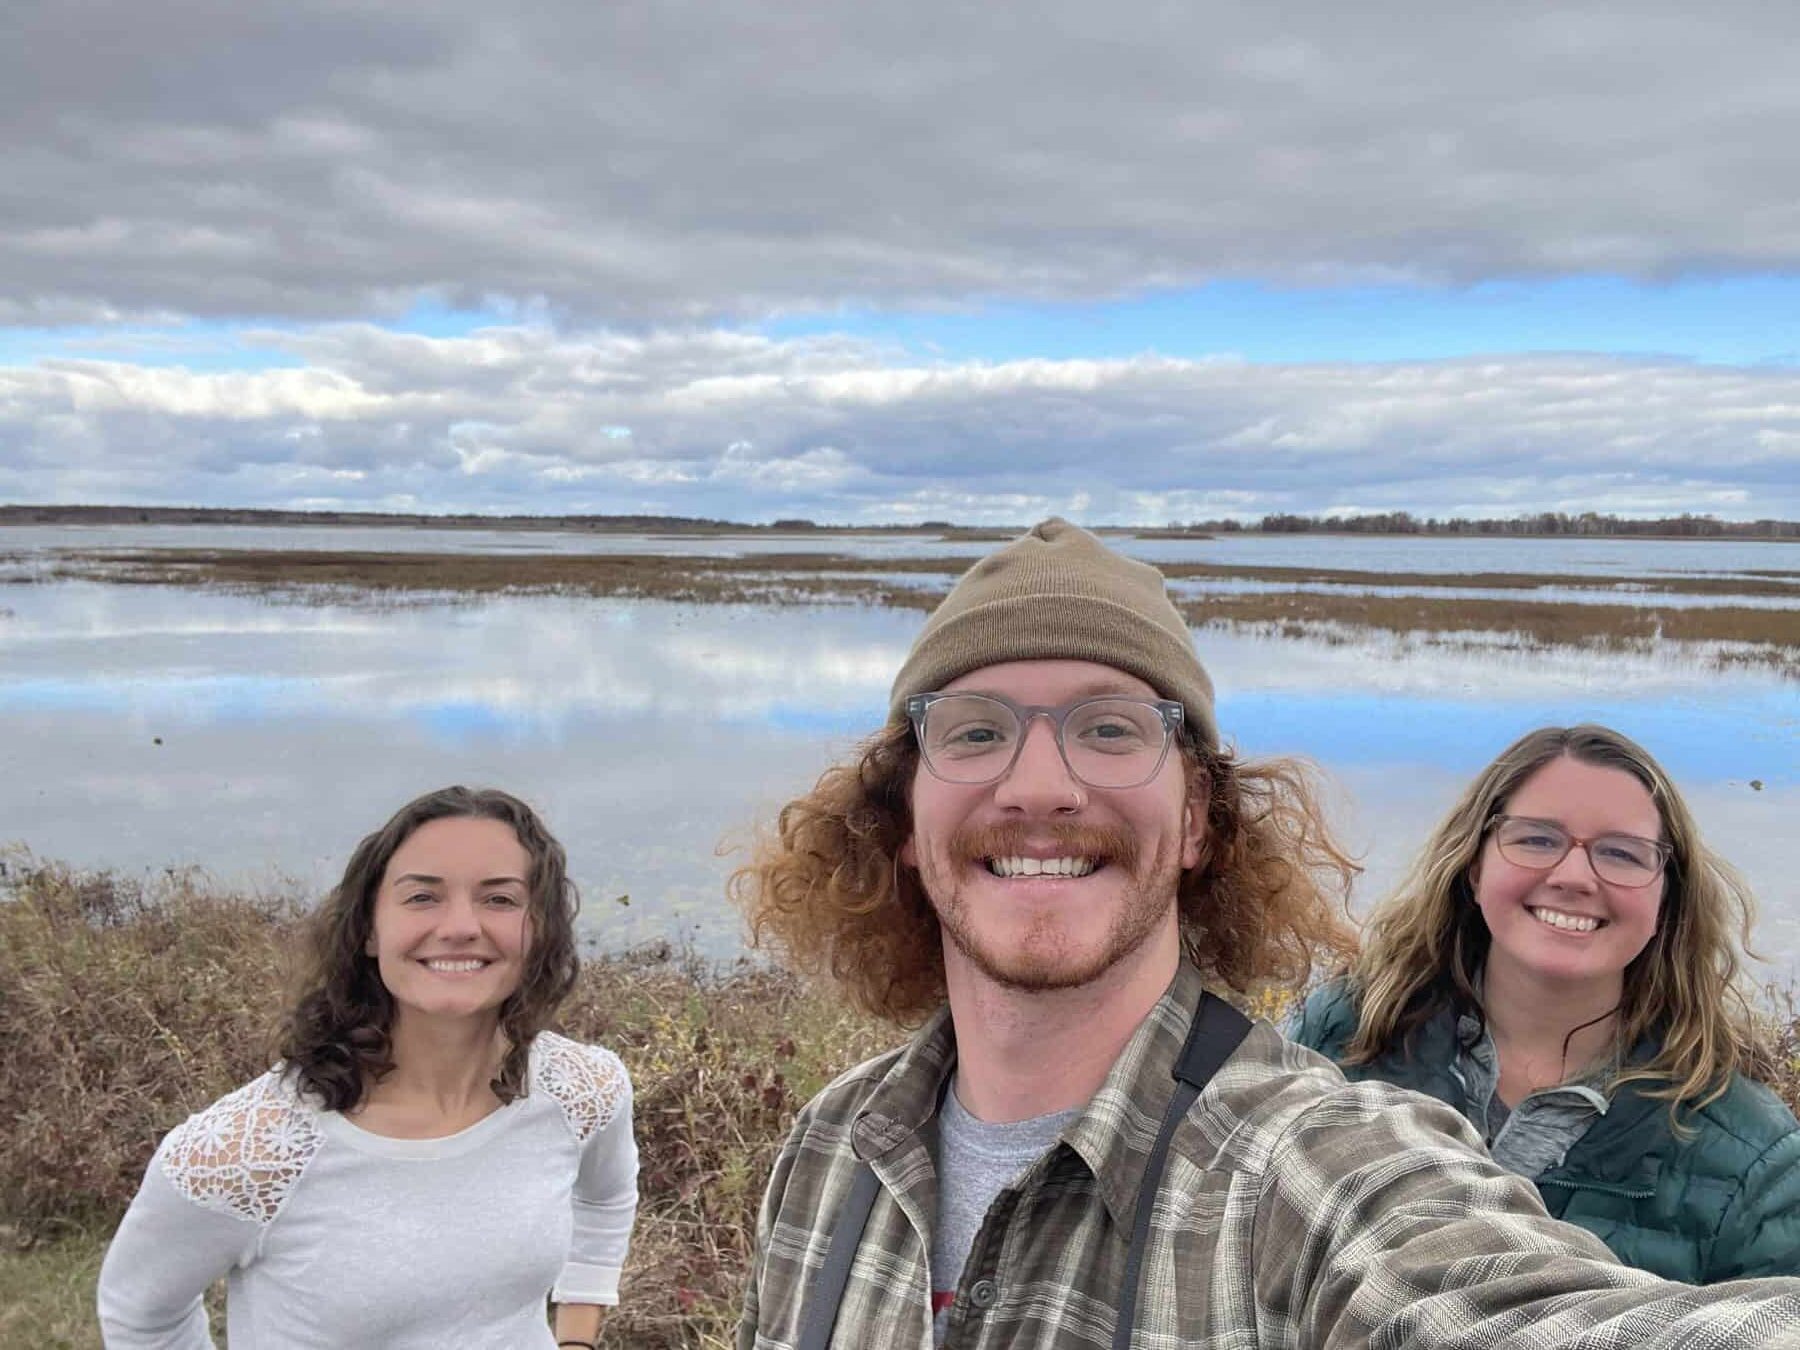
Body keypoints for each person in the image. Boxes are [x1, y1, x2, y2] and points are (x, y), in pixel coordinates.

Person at [729, 518, 1800, 1349]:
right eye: (974, 732)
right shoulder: (831, 1147)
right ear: (900, 822)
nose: (1041, 785)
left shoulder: (1311, 1165)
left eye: (1111, 729)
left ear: (1199, 817)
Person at [97, 786, 638, 1350]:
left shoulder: (584, 1090)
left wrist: (576, 1338)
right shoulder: (244, 1152)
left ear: (542, 930)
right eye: (422, 898)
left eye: (499, 899)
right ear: (370, 931)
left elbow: (604, 1200)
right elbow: (142, 1318)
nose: (460, 926)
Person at [1289, 724, 1800, 1282]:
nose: (1574, 876)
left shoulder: (1757, 1166)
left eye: (1623, 853)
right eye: (1536, 839)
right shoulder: (1340, 1037)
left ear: (1666, 898)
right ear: (1474, 865)